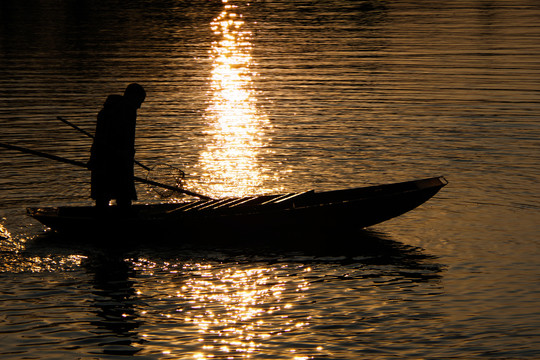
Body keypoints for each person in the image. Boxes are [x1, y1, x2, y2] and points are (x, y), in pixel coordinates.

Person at [88, 83, 146, 211]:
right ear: (132, 97)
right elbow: (103, 138)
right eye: (139, 101)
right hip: (110, 160)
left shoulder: (110, 110)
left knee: (109, 196)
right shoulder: (125, 111)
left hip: (116, 159)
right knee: (117, 195)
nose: (140, 106)